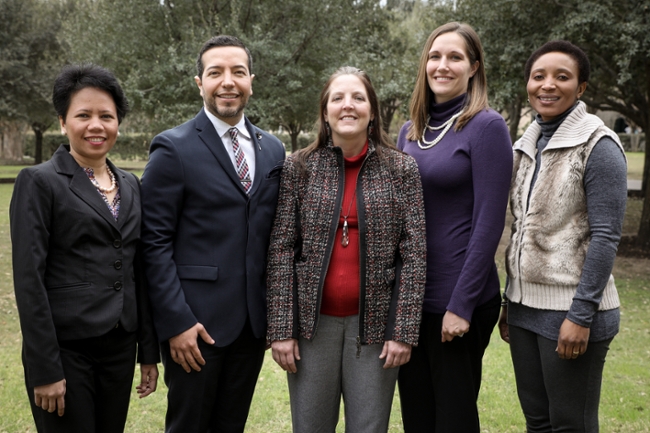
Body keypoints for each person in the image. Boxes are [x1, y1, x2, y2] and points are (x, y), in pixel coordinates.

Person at [266, 66, 427, 433]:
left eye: (358, 97)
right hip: (311, 328)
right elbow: (281, 249)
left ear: (372, 110)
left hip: (373, 330)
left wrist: (402, 331)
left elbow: (414, 254)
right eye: (337, 98)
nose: (347, 105)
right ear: (325, 112)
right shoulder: (299, 167)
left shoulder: (401, 169)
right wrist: (281, 329)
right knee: (310, 427)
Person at [140, 35, 286, 433]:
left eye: (238, 72)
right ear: (199, 82)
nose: (228, 82)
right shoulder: (172, 148)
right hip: (195, 327)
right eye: (215, 72)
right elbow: (153, 243)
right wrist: (176, 323)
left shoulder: (273, 150)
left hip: (251, 327)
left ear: (251, 80)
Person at [10, 64, 160, 433]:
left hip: (120, 347)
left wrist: (148, 351)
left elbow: (138, 269)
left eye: (106, 116)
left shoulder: (131, 183)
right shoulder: (39, 181)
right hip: (65, 350)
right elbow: (29, 280)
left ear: (118, 123)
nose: (97, 125)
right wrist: (45, 369)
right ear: (63, 121)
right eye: (84, 115)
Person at [499, 40, 627, 433]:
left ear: (582, 87)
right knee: (538, 421)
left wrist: (580, 314)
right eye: (539, 76)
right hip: (523, 309)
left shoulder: (598, 144)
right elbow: (519, 229)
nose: (547, 85)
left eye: (562, 76)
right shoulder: (526, 145)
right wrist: (509, 300)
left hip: (573, 311)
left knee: (571, 424)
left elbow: (606, 236)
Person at [396, 22, 513, 432]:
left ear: (474, 67)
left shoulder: (487, 127)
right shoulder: (409, 132)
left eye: (455, 57)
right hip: (412, 302)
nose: (442, 65)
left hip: (458, 301)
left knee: (453, 418)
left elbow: (488, 222)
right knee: (417, 416)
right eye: (434, 56)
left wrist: (460, 305)